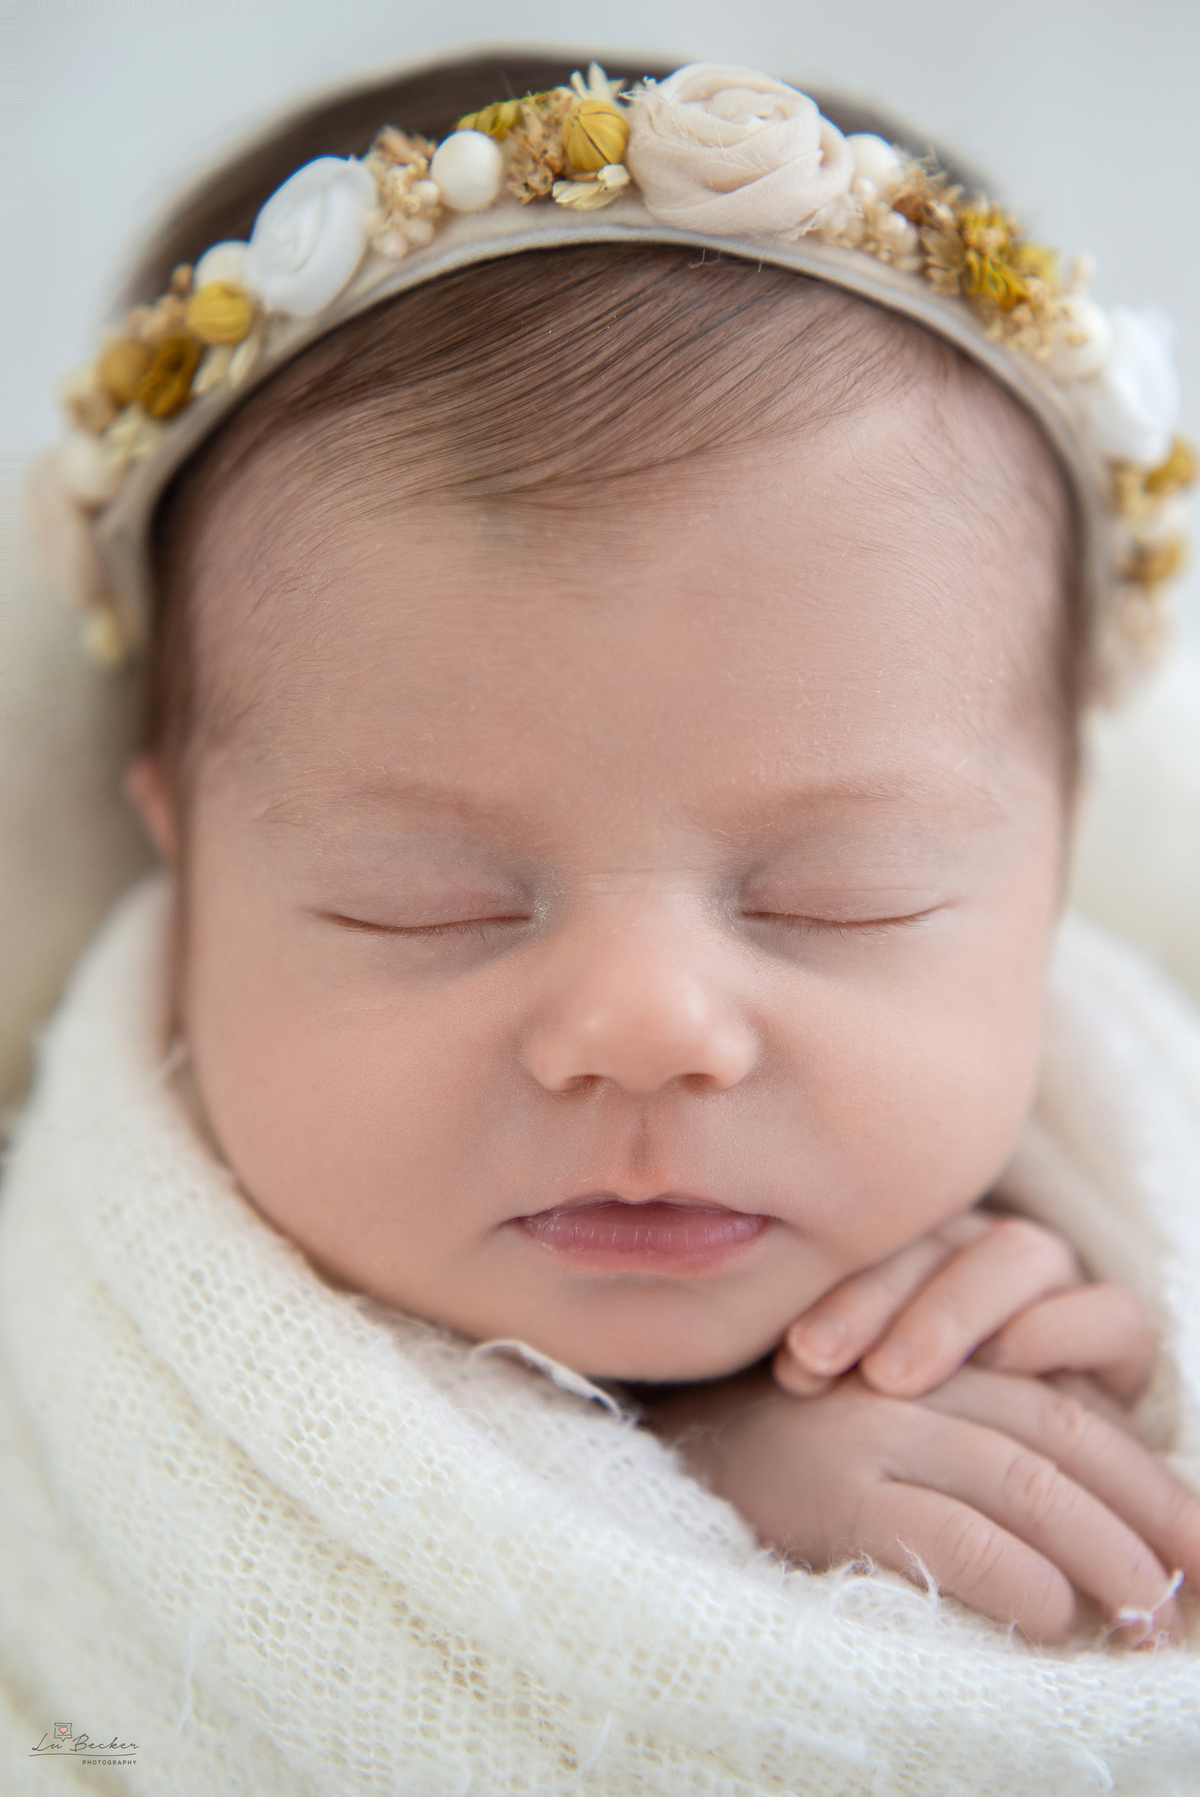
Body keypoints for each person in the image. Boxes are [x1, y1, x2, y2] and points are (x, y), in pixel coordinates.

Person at [2, 48, 1199, 1795]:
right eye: (422, 902)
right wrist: (709, 1474)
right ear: (186, 865)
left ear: (1052, 869)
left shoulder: (1091, 1260)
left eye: (839, 894)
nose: (646, 1024)